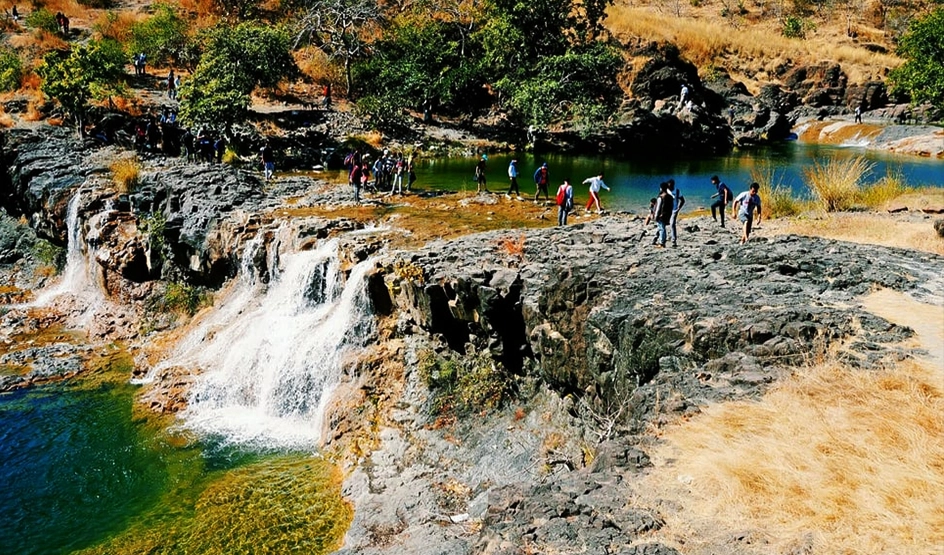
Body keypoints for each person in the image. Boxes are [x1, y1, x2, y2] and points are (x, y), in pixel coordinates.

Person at [652, 182, 673, 248]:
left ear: (661, 188)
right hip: (667, 214)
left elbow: (658, 207)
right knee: (661, 228)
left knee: (662, 228)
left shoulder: (661, 197)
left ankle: (662, 243)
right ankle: (656, 240)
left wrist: (656, 216)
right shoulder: (670, 196)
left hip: (661, 215)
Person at [667, 178, 685, 247]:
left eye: (671, 185)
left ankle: (673, 241)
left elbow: (683, 200)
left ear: (673, 185)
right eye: (669, 186)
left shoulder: (677, 191)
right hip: (667, 210)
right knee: (663, 223)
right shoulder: (666, 191)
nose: (670, 187)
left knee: (672, 224)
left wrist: (678, 208)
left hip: (674, 210)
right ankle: (657, 238)